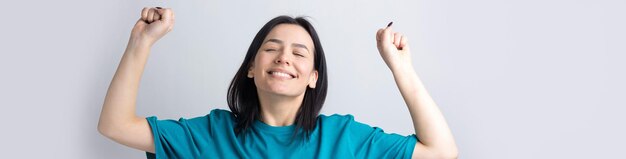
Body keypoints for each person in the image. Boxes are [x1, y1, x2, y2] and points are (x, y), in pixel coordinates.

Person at [98, 7, 458, 159]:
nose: (284, 58)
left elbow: (441, 153)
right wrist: (140, 42)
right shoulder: (209, 135)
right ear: (252, 67)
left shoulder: (345, 138)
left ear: (314, 78)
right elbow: (114, 125)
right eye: (272, 49)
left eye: (300, 53)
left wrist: (400, 67)